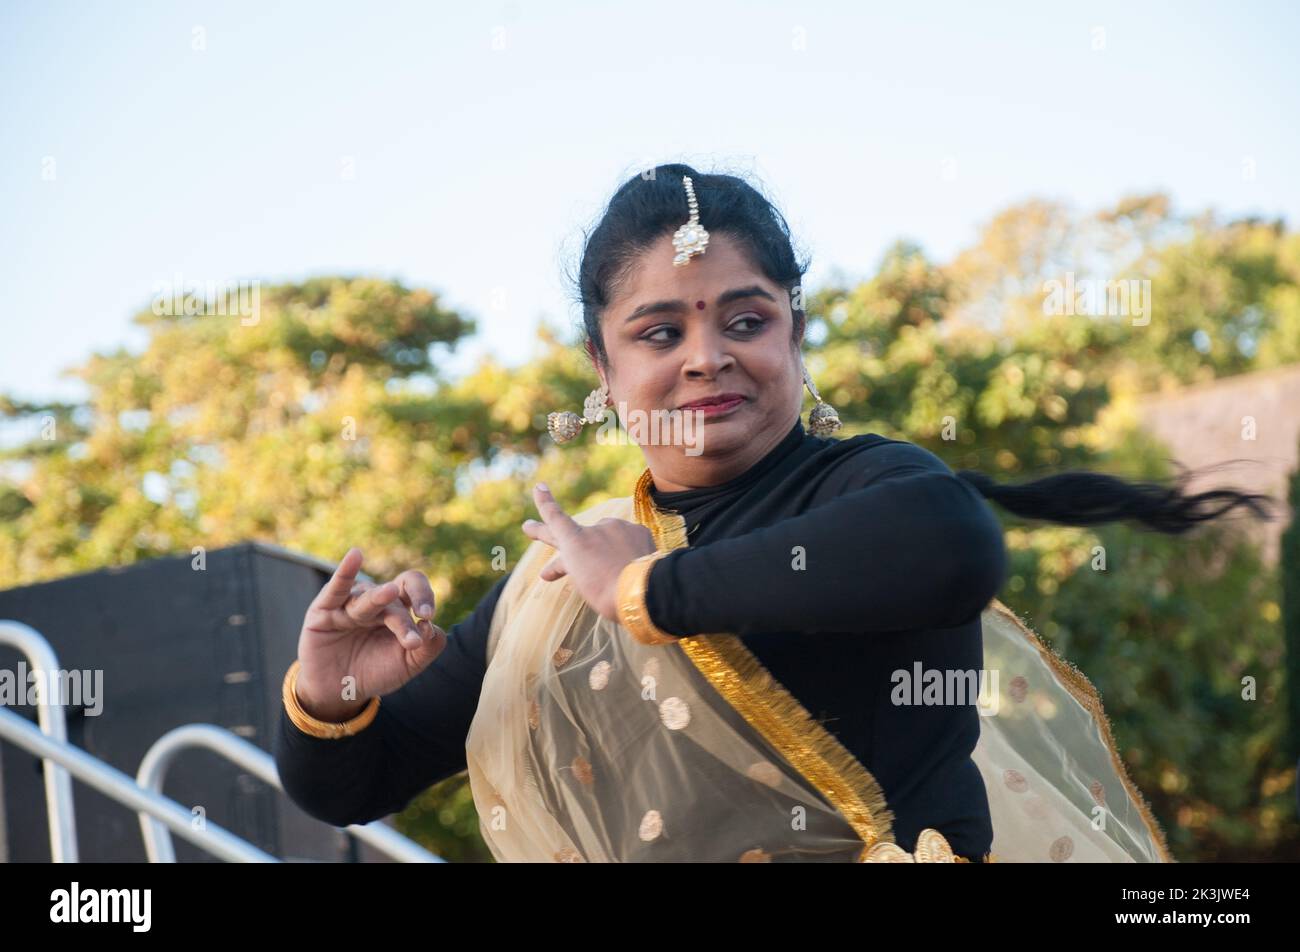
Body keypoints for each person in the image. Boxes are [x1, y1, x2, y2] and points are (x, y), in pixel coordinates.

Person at [274, 165, 1275, 863]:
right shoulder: (552, 583)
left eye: (745, 320)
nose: (707, 355)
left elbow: (952, 543)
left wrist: (643, 587)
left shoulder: (865, 493)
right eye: (660, 331)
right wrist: (329, 698)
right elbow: (352, 788)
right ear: (602, 368)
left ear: (795, 329)